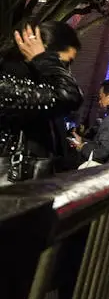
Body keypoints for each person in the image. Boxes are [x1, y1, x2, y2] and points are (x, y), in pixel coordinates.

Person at [0, 22, 83, 182]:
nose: (66, 72)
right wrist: (44, 59)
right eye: (64, 63)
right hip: (12, 190)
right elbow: (69, 95)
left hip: (30, 186)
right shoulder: (7, 79)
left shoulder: (39, 86)